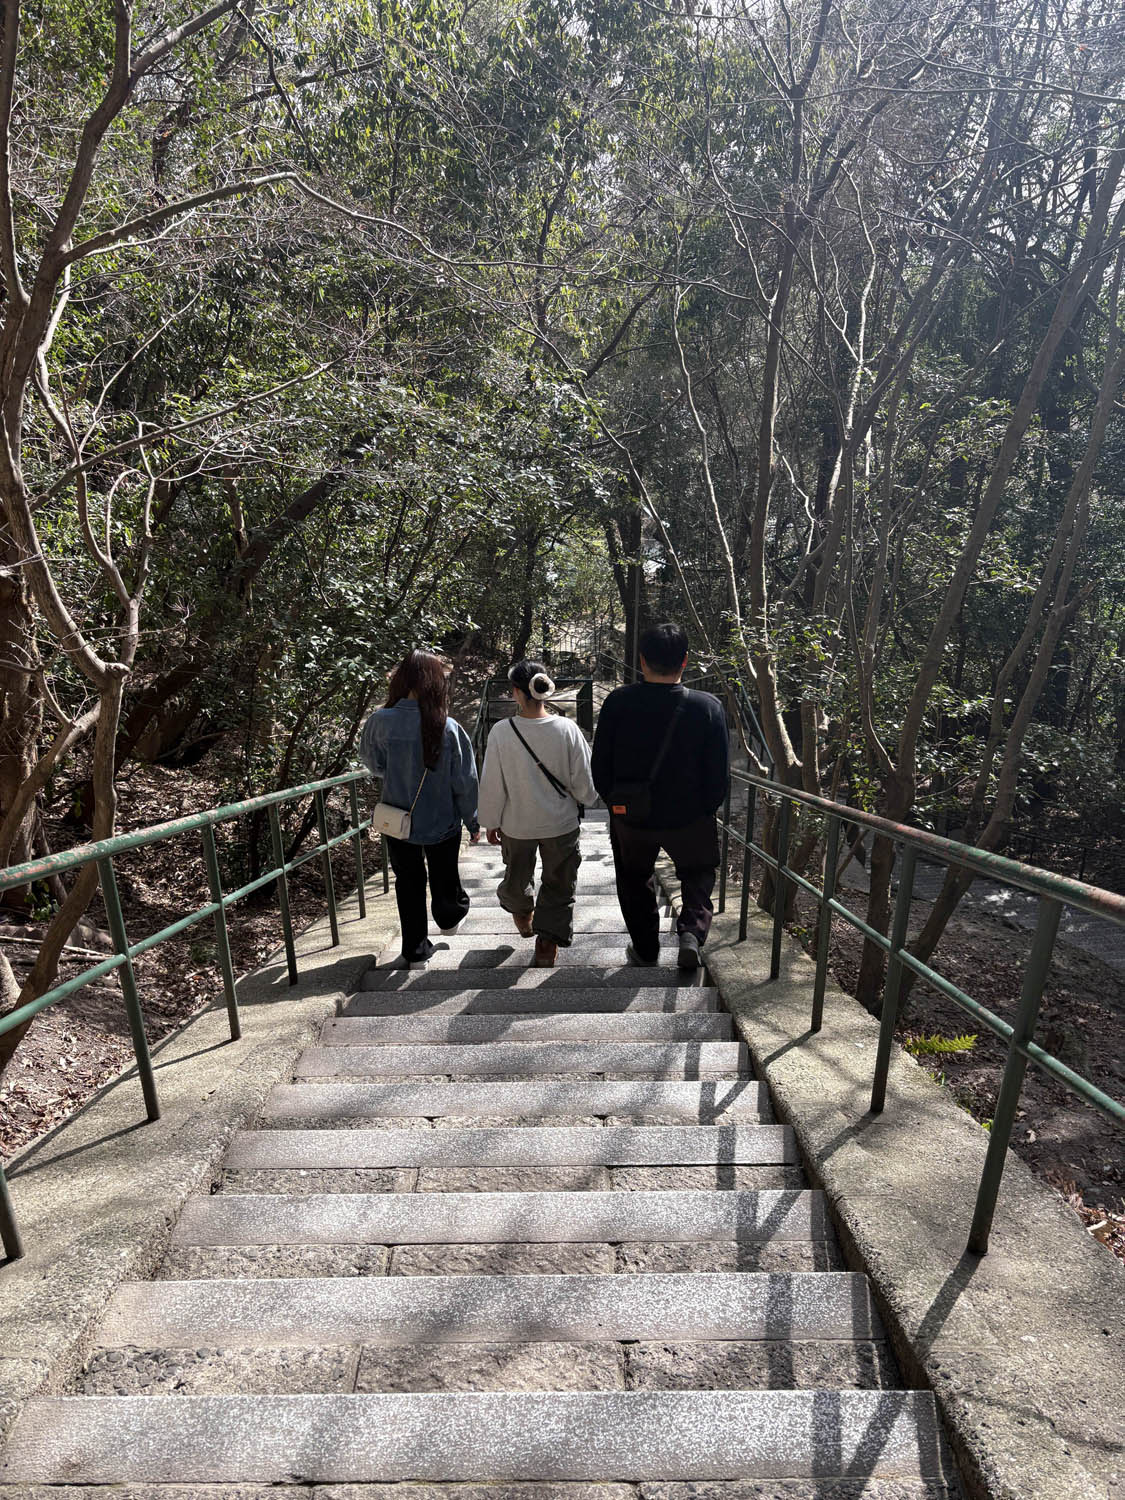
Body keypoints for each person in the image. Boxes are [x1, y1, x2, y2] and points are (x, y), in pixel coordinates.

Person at [591, 622, 729, 972]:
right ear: (685, 660)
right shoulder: (708, 707)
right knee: (698, 873)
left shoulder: (618, 703)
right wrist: (704, 808)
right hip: (690, 817)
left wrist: (616, 804)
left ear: (642, 660)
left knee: (633, 877)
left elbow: (600, 766)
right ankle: (690, 934)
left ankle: (646, 948)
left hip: (633, 816)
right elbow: (718, 774)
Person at [358, 649, 480, 966]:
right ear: (435, 684)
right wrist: (475, 820)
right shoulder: (448, 726)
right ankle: (449, 916)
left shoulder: (379, 721)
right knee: (444, 876)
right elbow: (464, 779)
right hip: (442, 820)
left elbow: (372, 764)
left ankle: (414, 951)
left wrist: (399, 772)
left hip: (398, 819)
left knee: (408, 882)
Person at [478, 659, 598, 967]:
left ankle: (522, 912)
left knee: (516, 877)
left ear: (517, 692)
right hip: (561, 824)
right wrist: (586, 798)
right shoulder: (567, 729)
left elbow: (492, 782)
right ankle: (547, 943)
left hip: (517, 825)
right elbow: (584, 781)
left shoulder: (502, 733)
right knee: (559, 883)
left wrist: (489, 821)